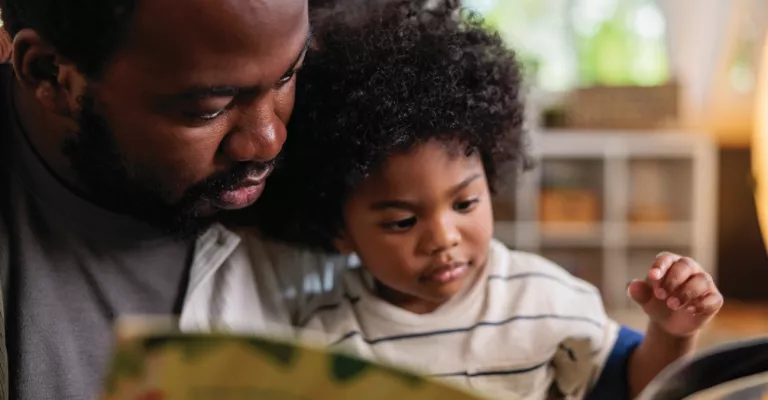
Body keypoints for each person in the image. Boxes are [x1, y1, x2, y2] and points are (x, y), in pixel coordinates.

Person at [247, 2, 725, 399]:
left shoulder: (542, 298)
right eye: (401, 222)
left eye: (465, 204)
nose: (442, 239)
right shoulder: (325, 338)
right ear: (339, 229)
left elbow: (632, 386)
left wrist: (672, 331)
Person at [0, 1, 345, 399]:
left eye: (289, 74)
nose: (269, 141)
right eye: (208, 109)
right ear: (51, 74)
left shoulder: (368, 167)